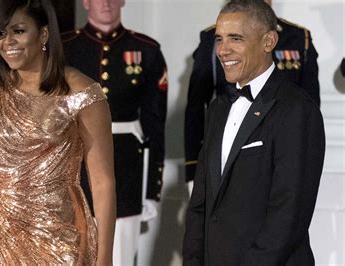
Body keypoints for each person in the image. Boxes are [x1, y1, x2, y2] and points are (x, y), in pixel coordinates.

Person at [0, 0, 116, 264]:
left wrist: (104, 258)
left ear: (43, 34)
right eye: (1, 34)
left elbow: (102, 182)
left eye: (18, 31)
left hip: (62, 241)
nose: (8, 42)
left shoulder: (82, 93)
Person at [182, 0, 325, 265]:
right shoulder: (217, 109)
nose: (223, 50)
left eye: (235, 38)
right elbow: (199, 206)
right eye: (219, 39)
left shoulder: (297, 110)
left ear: (268, 41)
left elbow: (288, 215)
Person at [62, 0, 168, 263]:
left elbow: (155, 126)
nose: (106, 3)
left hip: (126, 170)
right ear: (85, 3)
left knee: (119, 256)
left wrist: (151, 190)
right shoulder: (65, 48)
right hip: (75, 168)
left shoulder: (146, 50)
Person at [183, 0, 320, 181]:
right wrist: (194, 170)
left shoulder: (298, 38)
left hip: (283, 158)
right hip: (227, 156)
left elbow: (310, 109)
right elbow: (196, 108)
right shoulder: (211, 38)